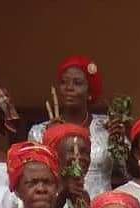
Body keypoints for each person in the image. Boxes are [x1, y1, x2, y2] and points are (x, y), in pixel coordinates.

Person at [28, 55, 114, 199]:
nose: (69, 88)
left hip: (101, 206)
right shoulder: (40, 132)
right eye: (64, 82)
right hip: (57, 205)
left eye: (77, 83)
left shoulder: (107, 126)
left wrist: (120, 139)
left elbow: (127, 174)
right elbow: (33, 178)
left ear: (90, 91)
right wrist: (50, 141)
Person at [43, 123, 93, 208]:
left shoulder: (89, 195)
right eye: (71, 151)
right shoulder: (40, 192)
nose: (79, 157)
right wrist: (62, 196)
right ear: (55, 156)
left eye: (84, 152)